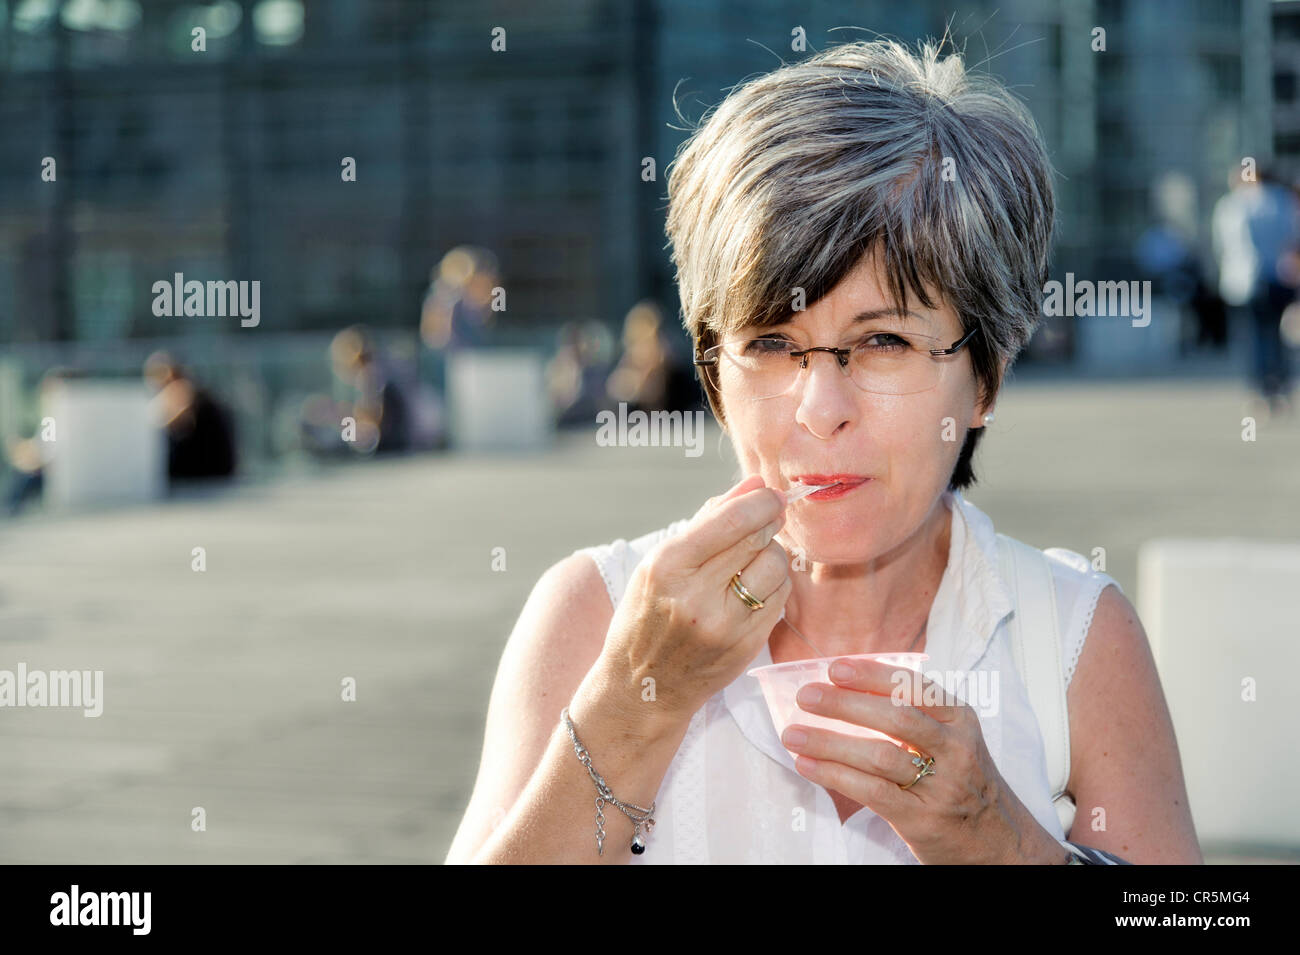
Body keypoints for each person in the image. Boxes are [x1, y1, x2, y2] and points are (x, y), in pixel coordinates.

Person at [446, 37, 1202, 865]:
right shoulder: (594, 617)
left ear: (985, 377)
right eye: (770, 344)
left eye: (881, 341)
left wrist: (1004, 841)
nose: (821, 409)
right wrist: (633, 707)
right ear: (711, 374)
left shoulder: (1074, 633)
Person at [1211, 165, 1299, 413]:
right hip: (1279, 278)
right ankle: (1280, 385)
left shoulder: (1233, 204)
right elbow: (1292, 237)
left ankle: (1262, 388)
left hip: (1247, 281)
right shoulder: (1282, 201)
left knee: (1255, 337)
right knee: (1277, 336)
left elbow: (1227, 244)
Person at [143, 353, 237, 481]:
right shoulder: (194, 390)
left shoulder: (182, 389)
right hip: (215, 468)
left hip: (208, 470)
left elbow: (164, 423)